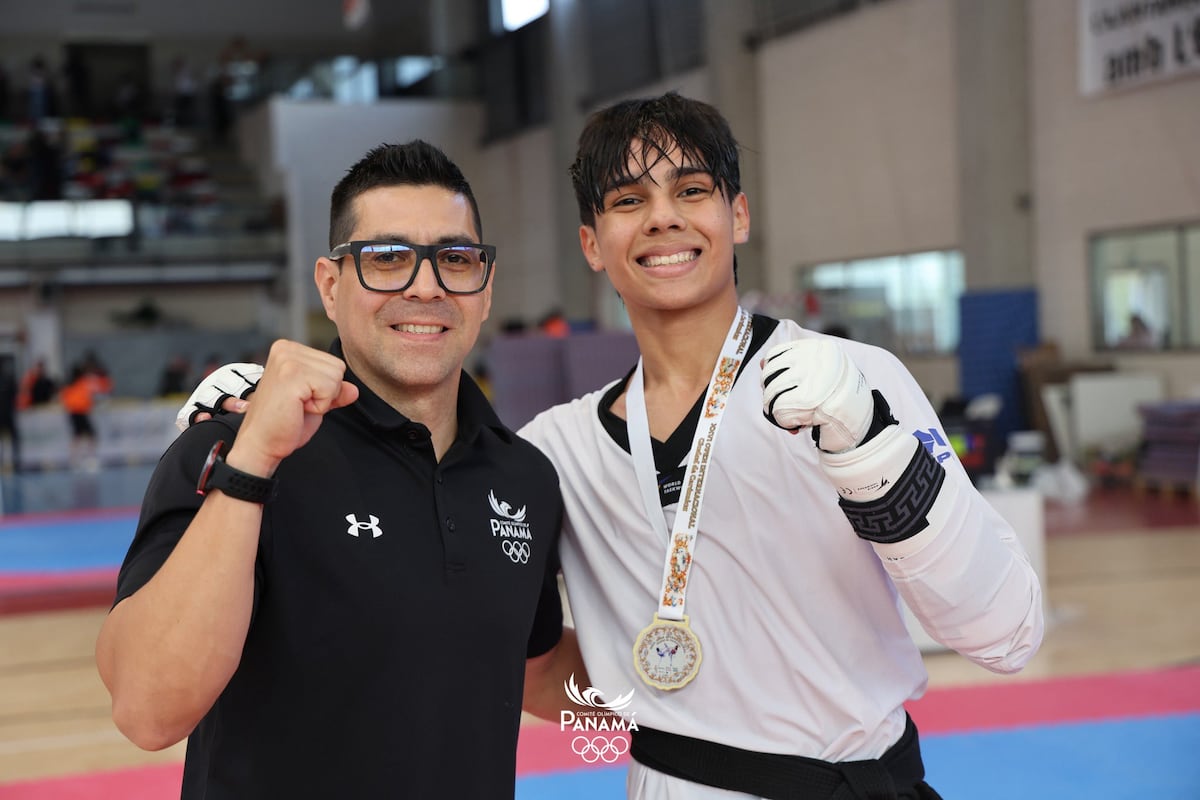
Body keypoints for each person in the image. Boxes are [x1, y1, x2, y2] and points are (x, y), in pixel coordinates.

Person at [180, 95, 1044, 799]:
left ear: (737, 215)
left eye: (693, 191)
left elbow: (1008, 635)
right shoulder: (555, 452)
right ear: (594, 245)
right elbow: (508, 654)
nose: (662, 221)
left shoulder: (854, 382)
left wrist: (881, 464)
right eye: (629, 201)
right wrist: (658, 728)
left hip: (862, 785)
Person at [95, 140, 586, 799]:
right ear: (331, 285)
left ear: (486, 287)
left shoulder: (523, 476)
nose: (425, 285)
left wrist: (696, 701)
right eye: (387, 258)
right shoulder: (229, 451)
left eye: (454, 259)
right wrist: (252, 466)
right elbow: (147, 709)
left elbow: (533, 669)